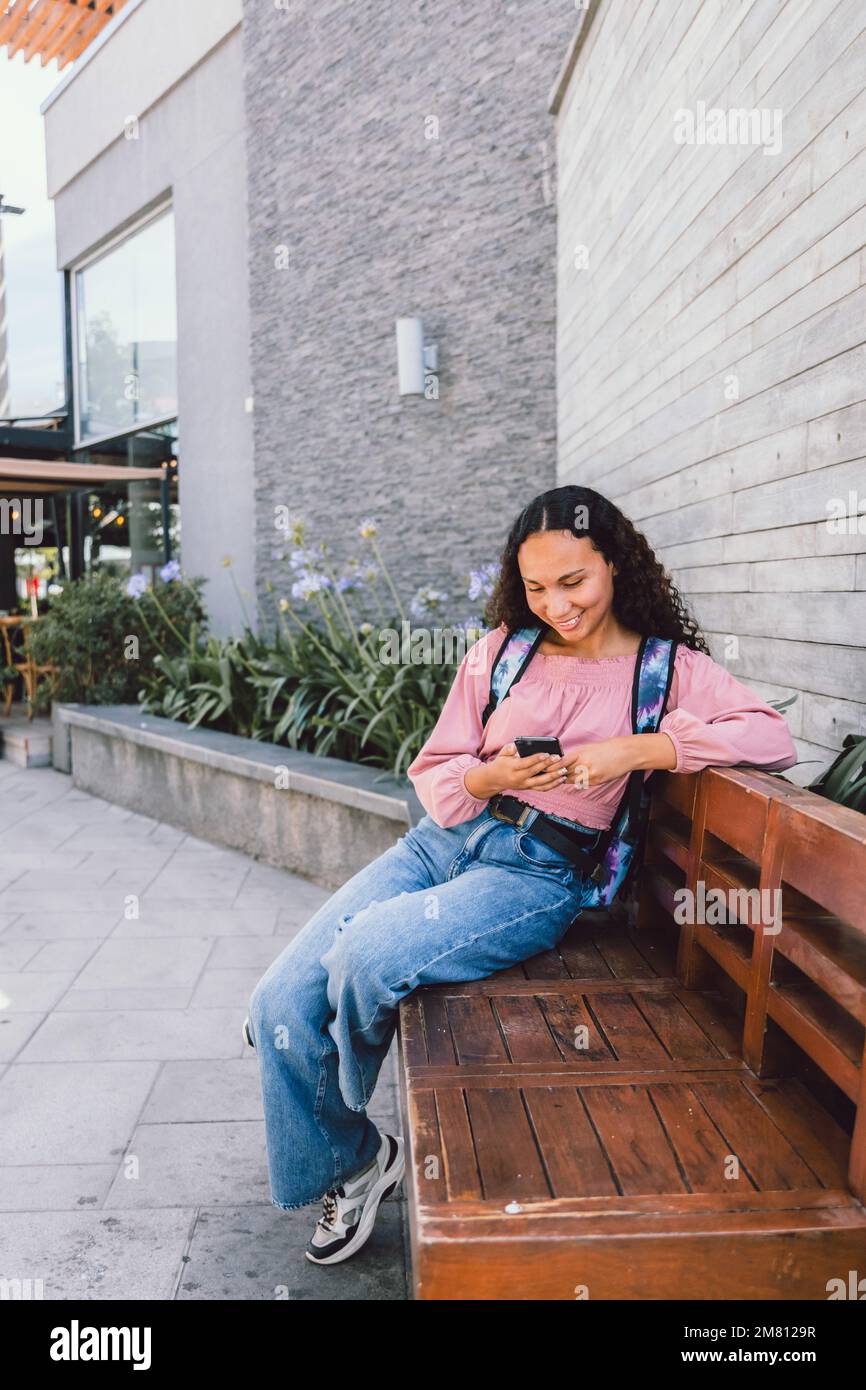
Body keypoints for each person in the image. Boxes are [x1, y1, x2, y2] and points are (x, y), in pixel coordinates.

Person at [246, 485, 798, 1265]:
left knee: (364, 956)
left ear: (615, 562)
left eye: (574, 582)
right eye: (536, 588)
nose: (557, 606)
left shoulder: (662, 669)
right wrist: (492, 776)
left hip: (535, 877)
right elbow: (436, 771)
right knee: (275, 1001)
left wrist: (639, 750)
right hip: (441, 844)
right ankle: (357, 1159)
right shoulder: (504, 652)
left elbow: (772, 736)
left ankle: (326, 1098)